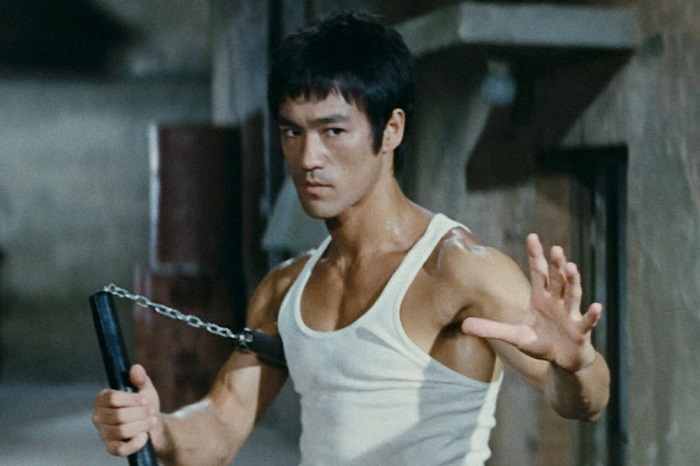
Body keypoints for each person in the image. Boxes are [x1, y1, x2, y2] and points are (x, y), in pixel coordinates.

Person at [92, 11, 610, 466]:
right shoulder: (284, 288)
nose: (308, 158)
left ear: (391, 131)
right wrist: (156, 428)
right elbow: (221, 430)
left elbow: (584, 401)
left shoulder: (460, 269)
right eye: (292, 132)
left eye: (333, 131)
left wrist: (578, 364)